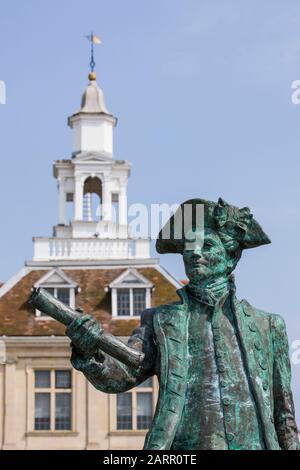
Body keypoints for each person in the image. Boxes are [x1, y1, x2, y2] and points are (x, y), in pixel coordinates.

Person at [66, 198, 299, 450]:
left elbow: (284, 415)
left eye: (207, 245)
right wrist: (89, 351)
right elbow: (122, 376)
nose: (195, 252)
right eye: (190, 247)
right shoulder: (161, 321)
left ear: (231, 257)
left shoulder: (268, 326)